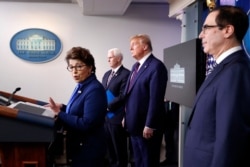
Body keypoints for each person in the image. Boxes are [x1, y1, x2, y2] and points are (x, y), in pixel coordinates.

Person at [183, 5, 250, 167]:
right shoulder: (224, 67)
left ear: (227, 30)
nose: (200, 35)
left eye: (206, 28)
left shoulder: (236, 71)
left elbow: (230, 139)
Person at [46, 46, 107, 167]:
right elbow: (80, 109)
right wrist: (63, 107)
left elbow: (87, 123)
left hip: (89, 150)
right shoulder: (82, 85)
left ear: (90, 68)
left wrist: (60, 113)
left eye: (79, 66)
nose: (74, 71)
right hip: (80, 147)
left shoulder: (94, 89)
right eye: (71, 67)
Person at [124, 34, 168, 167]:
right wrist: (125, 116)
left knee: (148, 161)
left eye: (134, 45)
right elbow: (129, 94)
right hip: (134, 123)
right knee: (138, 160)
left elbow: (155, 99)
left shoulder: (156, 66)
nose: (130, 48)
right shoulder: (135, 67)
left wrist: (150, 124)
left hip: (146, 126)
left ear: (145, 46)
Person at [101, 48, 130, 167]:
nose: (108, 59)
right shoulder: (107, 74)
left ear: (119, 58)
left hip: (117, 118)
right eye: (107, 57)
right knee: (109, 150)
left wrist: (107, 107)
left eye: (111, 57)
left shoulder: (126, 74)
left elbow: (123, 95)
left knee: (119, 150)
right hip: (105, 119)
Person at [160, 101, 179, 166]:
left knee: (175, 139)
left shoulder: (175, 99)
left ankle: (174, 159)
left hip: (176, 118)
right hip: (166, 118)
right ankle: (168, 158)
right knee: (167, 138)